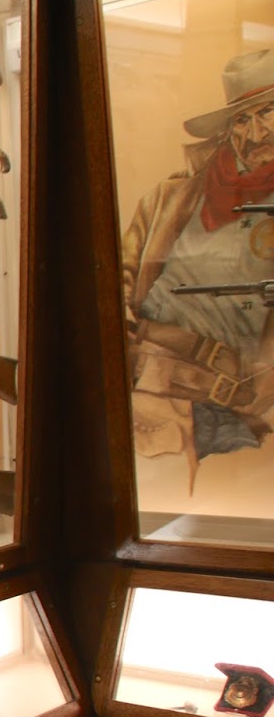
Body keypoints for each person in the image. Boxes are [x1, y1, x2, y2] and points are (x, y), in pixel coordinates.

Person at [123, 48, 274, 464]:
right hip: (145, 387)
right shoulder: (169, 196)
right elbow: (117, 279)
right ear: (227, 130)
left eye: (267, 112)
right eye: (241, 119)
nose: (256, 133)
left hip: (235, 408)